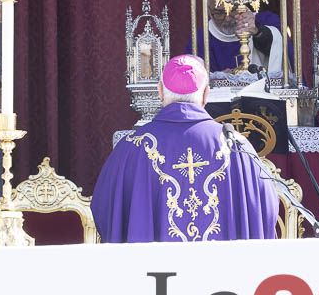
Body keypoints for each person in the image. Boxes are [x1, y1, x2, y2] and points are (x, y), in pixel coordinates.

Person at [92, 55, 279, 242]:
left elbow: (104, 208)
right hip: (223, 269)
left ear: (160, 92)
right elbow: (266, 210)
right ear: (206, 94)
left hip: (153, 270)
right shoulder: (235, 145)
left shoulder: (132, 147)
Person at [205, 0, 289, 78]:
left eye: (233, 10)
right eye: (219, 13)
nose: (227, 18)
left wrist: (257, 32)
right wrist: (218, 77)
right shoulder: (201, 38)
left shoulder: (265, 20)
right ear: (209, 11)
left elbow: (281, 50)